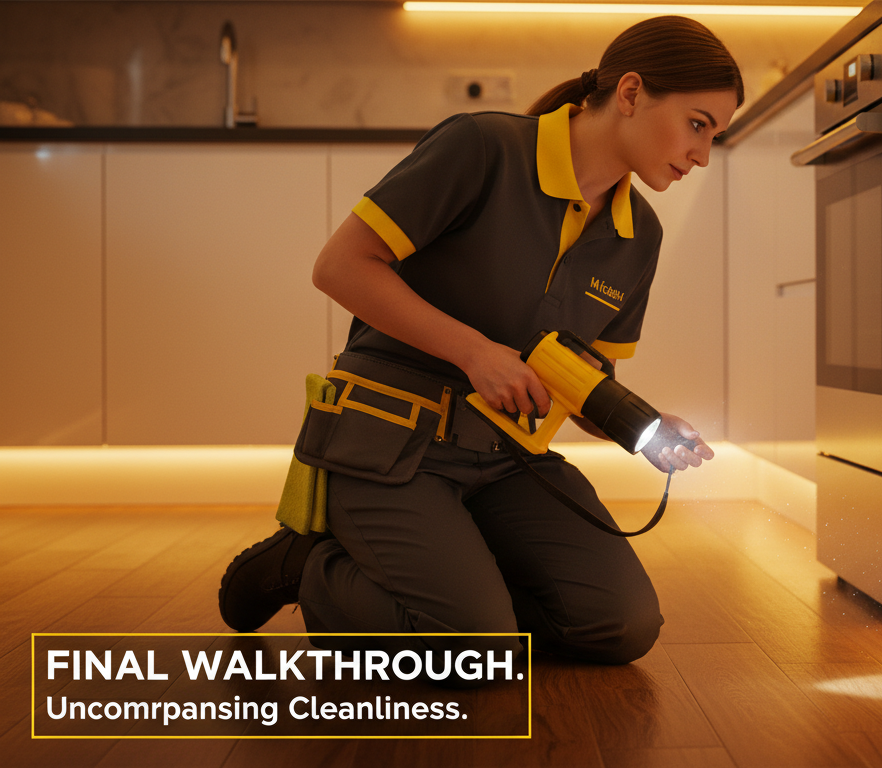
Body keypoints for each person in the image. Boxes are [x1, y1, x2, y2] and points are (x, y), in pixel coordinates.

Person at [217, 15, 742, 674]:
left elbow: (578, 378)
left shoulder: (641, 236)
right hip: (391, 443)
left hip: (506, 458)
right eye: (698, 124)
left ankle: (464, 591)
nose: (703, 154)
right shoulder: (484, 148)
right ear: (631, 93)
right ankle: (309, 565)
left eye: (715, 136)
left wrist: (640, 426)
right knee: (478, 646)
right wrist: (474, 351)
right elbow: (340, 267)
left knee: (621, 624)